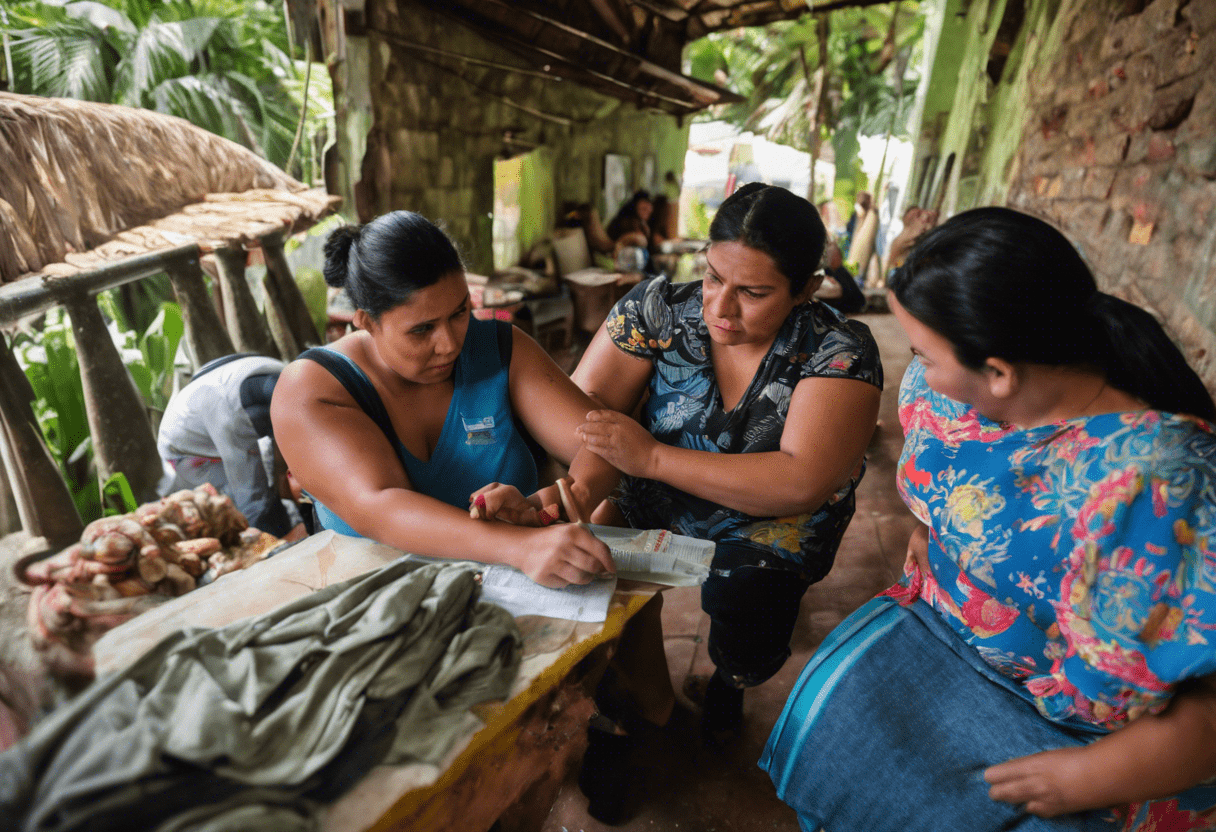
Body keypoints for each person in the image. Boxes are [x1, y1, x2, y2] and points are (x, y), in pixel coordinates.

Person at [762, 206, 1216, 831]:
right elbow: (972, 494)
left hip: (1086, 737)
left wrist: (1077, 779)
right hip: (950, 632)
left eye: (924, 352)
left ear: (998, 372)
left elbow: (1203, 712)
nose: (915, 369)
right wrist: (935, 529)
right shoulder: (958, 404)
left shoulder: (1159, 482)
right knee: (840, 741)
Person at [572, 182, 884, 738]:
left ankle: (729, 680)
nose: (719, 306)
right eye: (714, 275)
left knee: (748, 599)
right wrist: (572, 493)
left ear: (806, 289)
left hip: (767, 517)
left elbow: (799, 481)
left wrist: (651, 457)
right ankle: (644, 702)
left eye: (754, 292)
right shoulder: (659, 310)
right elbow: (586, 409)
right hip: (652, 492)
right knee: (586, 561)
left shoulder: (839, 350)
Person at [270, 210, 619, 588]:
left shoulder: (500, 349)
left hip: (519, 595)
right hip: (379, 609)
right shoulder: (313, 390)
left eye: (459, 313)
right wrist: (522, 546)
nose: (450, 344)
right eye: (422, 329)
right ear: (366, 321)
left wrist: (552, 504)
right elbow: (382, 506)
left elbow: (607, 444)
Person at [157, 353, 304, 539]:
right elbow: (249, 486)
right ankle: (270, 545)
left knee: (261, 493)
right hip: (185, 455)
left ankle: (283, 534)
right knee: (241, 503)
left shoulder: (287, 376)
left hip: (219, 408)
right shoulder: (229, 413)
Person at [813, 235, 866, 315]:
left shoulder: (842, 273)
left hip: (847, 305)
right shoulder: (824, 270)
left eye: (833, 255)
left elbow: (857, 299)